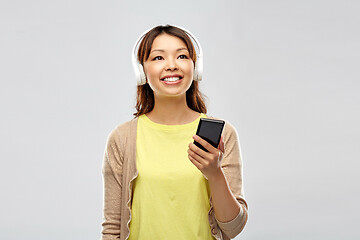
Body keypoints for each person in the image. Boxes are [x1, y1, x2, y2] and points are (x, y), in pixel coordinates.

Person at [101, 24, 248, 240]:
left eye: (181, 56)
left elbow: (233, 229)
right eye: (158, 58)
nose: (171, 65)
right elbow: (112, 229)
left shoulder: (224, 134)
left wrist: (215, 174)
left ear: (195, 67)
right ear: (141, 70)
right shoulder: (122, 138)